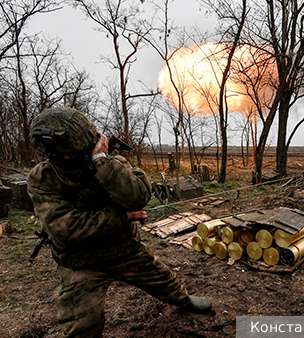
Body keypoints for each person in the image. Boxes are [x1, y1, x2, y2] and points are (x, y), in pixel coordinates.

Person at [27, 107, 211, 338]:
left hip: (125, 251)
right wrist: (122, 217)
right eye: (59, 154)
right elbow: (65, 229)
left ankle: (183, 300)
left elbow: (137, 197)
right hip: (81, 263)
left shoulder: (112, 163)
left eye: (72, 153)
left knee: (164, 280)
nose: (66, 158)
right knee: (81, 327)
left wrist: (101, 161)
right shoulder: (42, 177)